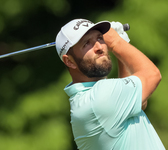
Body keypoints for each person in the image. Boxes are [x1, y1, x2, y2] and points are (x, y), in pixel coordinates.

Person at [55, 18, 165, 150]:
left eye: (100, 38)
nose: (99, 47)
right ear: (69, 62)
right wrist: (116, 42)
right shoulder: (98, 98)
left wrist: (121, 41)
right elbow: (152, 75)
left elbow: (139, 102)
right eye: (86, 44)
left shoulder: (86, 99)